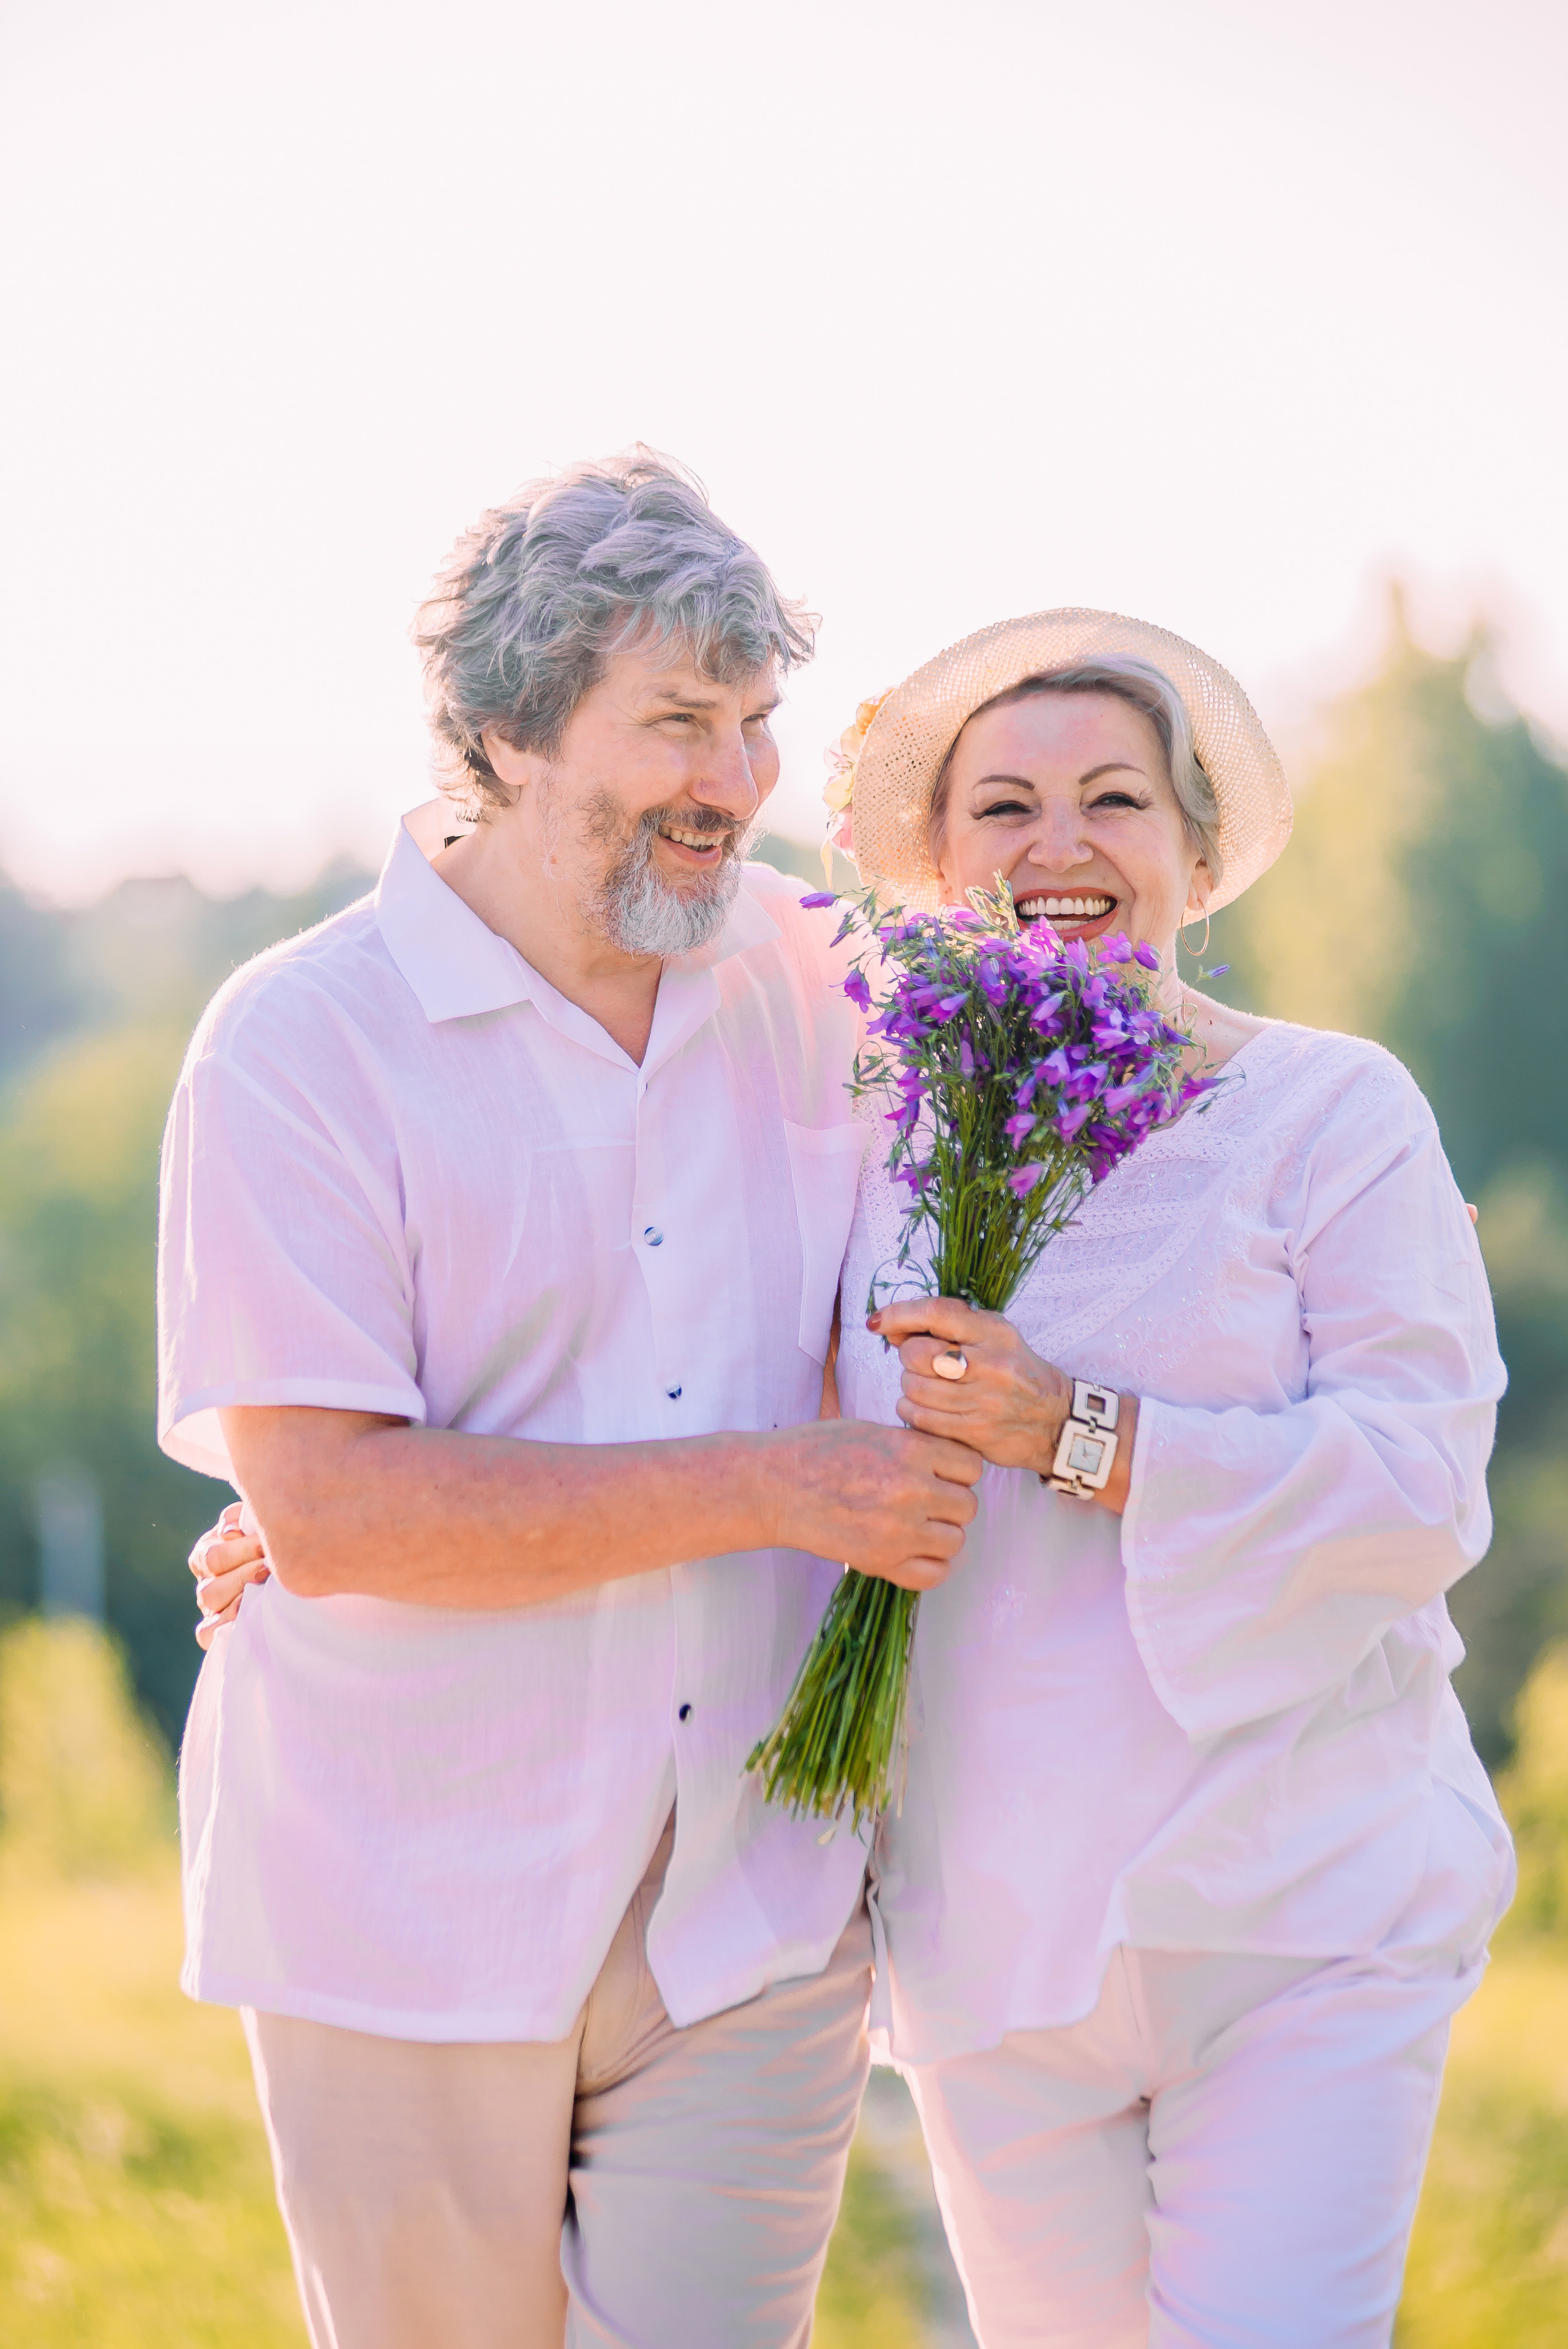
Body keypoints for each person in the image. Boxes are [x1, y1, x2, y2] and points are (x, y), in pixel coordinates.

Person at [157, 448, 982, 2349]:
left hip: (754, 1909)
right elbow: (343, 1516)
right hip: (400, 1899)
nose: (737, 783)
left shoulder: (824, 980)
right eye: (679, 723)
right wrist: (778, 1483)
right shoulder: (298, 1046)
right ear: (513, 732)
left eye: (757, 722)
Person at [826, 610, 1513, 2347]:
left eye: (1115, 799)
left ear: (1195, 855)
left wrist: (1083, 1427)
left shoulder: (1333, 1114)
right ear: (932, 859)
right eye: (1005, 807)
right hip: (996, 1933)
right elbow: (689, 1381)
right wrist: (307, 1523)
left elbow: (1424, 1475)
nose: (1061, 847)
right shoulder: (865, 1146)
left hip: (1299, 1902)